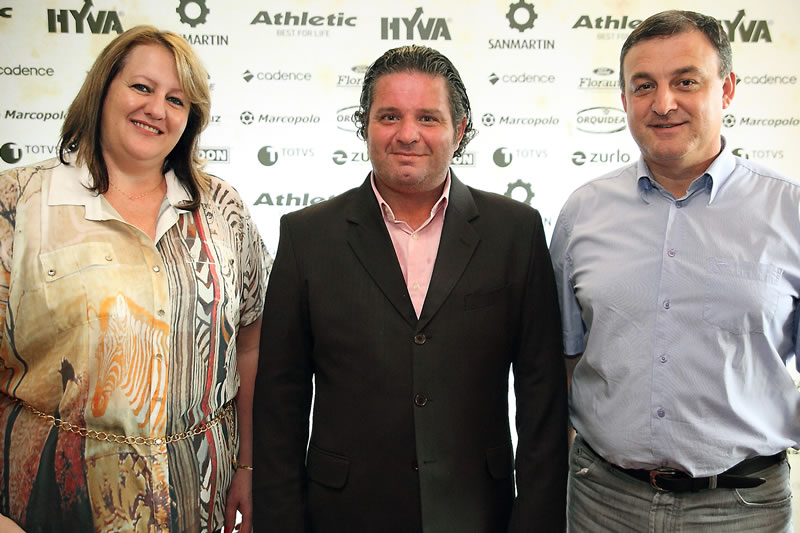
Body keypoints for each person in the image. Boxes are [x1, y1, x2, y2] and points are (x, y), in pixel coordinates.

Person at [252, 45, 566, 532]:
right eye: (389, 116)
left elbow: (541, 395)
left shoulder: (515, 231)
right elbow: (280, 401)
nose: (407, 134)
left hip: (478, 513)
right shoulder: (307, 236)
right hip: (344, 515)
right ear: (365, 125)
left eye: (428, 117)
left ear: (459, 129)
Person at [0, 26, 269, 533]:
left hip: (199, 500)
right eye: (142, 87)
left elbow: (252, 345)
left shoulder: (222, 208)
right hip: (49, 505)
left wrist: (249, 466)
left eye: (176, 100)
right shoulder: (17, 202)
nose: (156, 109)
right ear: (103, 88)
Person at [550, 9, 799, 532]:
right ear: (624, 100)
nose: (663, 104)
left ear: (726, 89)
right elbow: (566, 358)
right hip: (603, 502)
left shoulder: (789, 212)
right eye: (644, 86)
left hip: (742, 509)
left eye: (686, 81)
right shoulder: (582, 213)